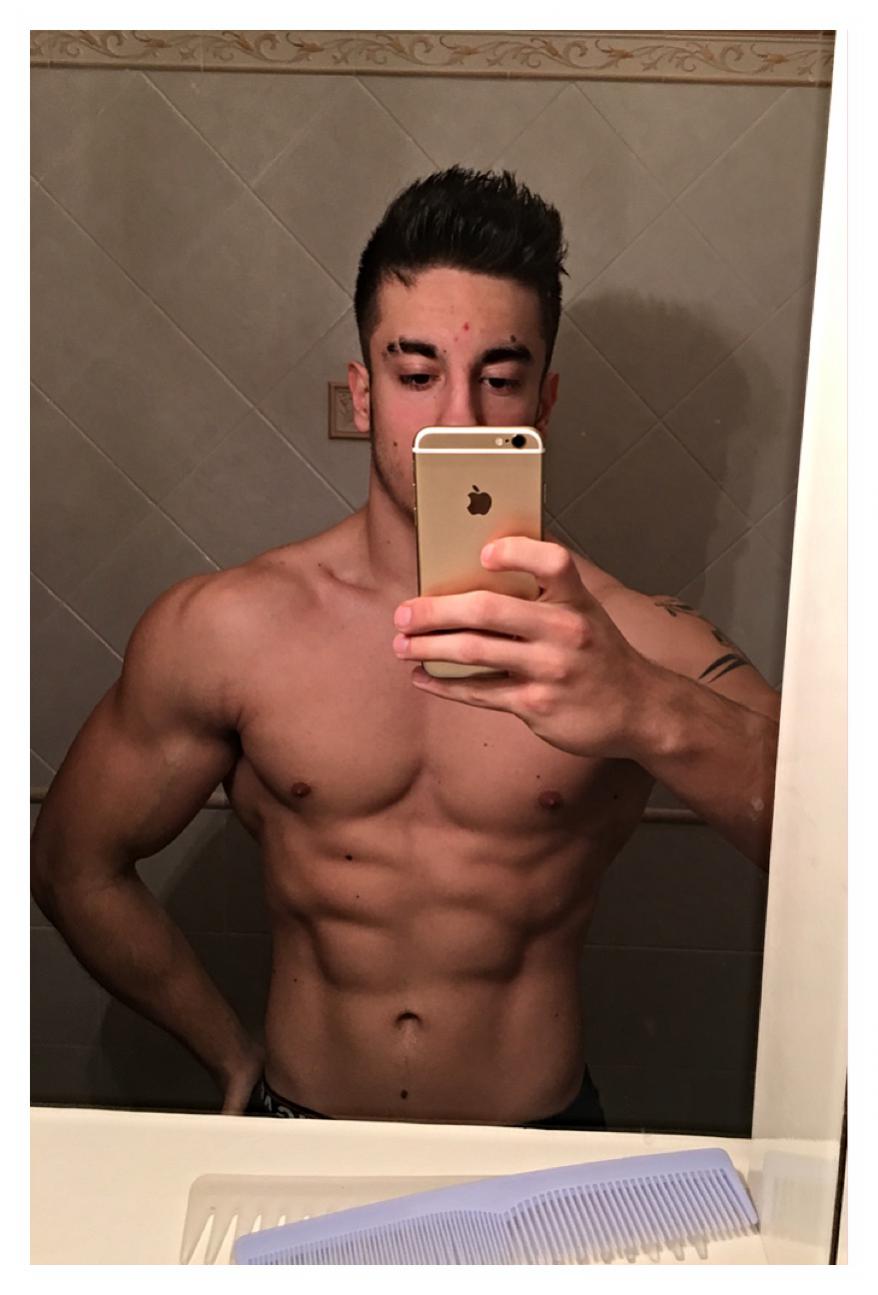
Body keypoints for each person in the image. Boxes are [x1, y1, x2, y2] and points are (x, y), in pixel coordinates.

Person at [30, 167, 780, 1129]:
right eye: (417, 375)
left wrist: (642, 705)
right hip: (300, 1127)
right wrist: (229, 1053)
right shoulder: (229, 629)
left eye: (499, 378)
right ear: (364, 394)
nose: (457, 421)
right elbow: (72, 863)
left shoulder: (631, 640)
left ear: (544, 401)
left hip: (534, 1143)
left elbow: (838, 840)